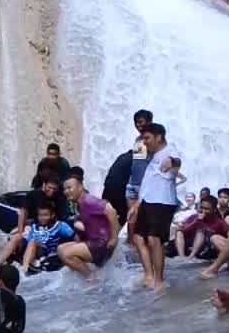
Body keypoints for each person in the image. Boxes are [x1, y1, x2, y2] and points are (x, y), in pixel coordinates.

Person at [132, 123, 182, 289]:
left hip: (162, 201)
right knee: (138, 237)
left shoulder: (169, 150)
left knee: (155, 239)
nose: (144, 142)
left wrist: (172, 161)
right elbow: (148, 182)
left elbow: (177, 161)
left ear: (159, 137)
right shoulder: (154, 156)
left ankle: (159, 280)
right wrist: (137, 204)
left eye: (147, 138)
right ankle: (149, 275)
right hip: (147, 201)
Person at [0, 175, 66, 265]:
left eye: (54, 189)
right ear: (44, 185)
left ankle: (26, 267)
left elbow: (60, 221)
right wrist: (21, 230)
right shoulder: (34, 195)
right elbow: (23, 212)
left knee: (33, 242)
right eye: (49, 188)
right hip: (33, 226)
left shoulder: (59, 198)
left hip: (47, 231)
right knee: (15, 237)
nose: (52, 191)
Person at [58, 176, 121, 277]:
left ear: (80, 187)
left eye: (69, 188)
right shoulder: (81, 203)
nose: (66, 191)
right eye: (64, 189)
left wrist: (114, 238)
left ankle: (90, 279)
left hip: (102, 244)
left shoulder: (88, 201)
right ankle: (89, 274)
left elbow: (111, 211)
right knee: (61, 249)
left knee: (67, 254)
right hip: (95, 242)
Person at [20, 202, 76, 274]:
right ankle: (5, 263)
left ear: (52, 215)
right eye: (40, 215)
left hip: (49, 252)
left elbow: (74, 237)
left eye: (45, 215)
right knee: (19, 238)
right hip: (34, 251)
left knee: (33, 241)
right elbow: (28, 242)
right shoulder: (34, 227)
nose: (42, 218)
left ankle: (25, 270)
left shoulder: (60, 225)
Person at [124, 109, 153, 238]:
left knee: (143, 218)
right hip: (132, 183)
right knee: (131, 216)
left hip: (144, 184)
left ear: (149, 121)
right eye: (136, 122)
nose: (138, 125)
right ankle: (130, 243)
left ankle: (143, 243)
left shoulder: (153, 138)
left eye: (141, 122)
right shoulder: (137, 139)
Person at [174, 195, 229, 260]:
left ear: (214, 210)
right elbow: (183, 230)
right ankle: (181, 257)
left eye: (207, 209)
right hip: (189, 244)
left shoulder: (220, 222)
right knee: (179, 232)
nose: (203, 211)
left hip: (206, 248)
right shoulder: (194, 217)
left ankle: (191, 257)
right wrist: (196, 221)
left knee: (200, 231)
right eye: (202, 208)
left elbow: (228, 237)